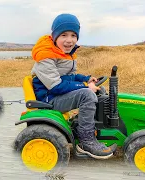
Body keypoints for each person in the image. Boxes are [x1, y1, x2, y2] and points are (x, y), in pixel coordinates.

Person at [31, 13, 117, 159]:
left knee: (98, 92)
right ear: (54, 36)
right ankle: (86, 142)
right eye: (64, 35)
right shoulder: (45, 56)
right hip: (49, 99)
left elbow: (70, 76)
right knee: (87, 95)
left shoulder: (64, 53)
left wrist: (87, 78)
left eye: (73, 35)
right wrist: (84, 86)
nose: (69, 40)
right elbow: (56, 86)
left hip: (56, 94)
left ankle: (87, 128)